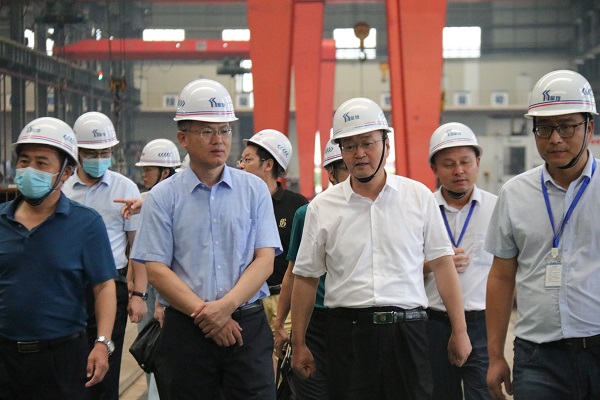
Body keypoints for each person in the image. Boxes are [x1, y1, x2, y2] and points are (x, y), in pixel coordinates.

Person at [291, 97, 472, 400]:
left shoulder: (418, 197)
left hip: (408, 333)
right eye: (350, 146)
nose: (359, 153)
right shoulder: (322, 207)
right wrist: (298, 343)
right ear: (341, 152)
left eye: (367, 143)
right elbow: (306, 278)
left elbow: (443, 266)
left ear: (386, 145)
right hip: (347, 337)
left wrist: (460, 330)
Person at [131, 78, 282, 399]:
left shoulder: (254, 190)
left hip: (245, 327)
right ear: (183, 138)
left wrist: (225, 307)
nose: (219, 140)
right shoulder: (162, 197)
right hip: (187, 331)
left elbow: (265, 260)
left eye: (225, 130)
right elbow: (156, 269)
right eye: (206, 131)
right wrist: (207, 314)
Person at [485, 69, 600, 400]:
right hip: (538, 358)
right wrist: (495, 356)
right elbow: (501, 277)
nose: (555, 139)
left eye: (567, 126)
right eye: (544, 128)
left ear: (589, 127)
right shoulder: (515, 194)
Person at [0, 117, 117, 399]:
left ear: (66, 173)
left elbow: (104, 287)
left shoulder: (86, 224)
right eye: (24, 161)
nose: (30, 169)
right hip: (5, 357)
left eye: (42, 163)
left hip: (62, 357)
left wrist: (102, 343)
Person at [62, 111, 147, 400]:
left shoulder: (125, 188)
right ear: (77, 152)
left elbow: (137, 245)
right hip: (69, 287)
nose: (99, 158)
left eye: (105, 152)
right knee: (69, 364)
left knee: (104, 366)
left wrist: (139, 294)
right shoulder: (62, 189)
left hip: (112, 286)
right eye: (92, 153)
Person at [425, 122, 497, 400]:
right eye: (449, 164)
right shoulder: (422, 210)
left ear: (478, 162)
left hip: (482, 323)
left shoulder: (497, 208)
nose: (459, 170)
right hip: (433, 323)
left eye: (465, 162)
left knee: (483, 392)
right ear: (434, 169)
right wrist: (434, 264)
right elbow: (401, 267)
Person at [274, 140, 349, 400]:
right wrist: (281, 322)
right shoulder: (307, 214)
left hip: (353, 320)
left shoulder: (372, 213)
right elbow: (293, 273)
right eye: (345, 168)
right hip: (314, 321)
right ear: (331, 173)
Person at [238, 129, 308, 333]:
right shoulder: (236, 204)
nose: (241, 166)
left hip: (285, 302)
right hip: (245, 300)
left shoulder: (296, 206)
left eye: (247, 160)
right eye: (241, 160)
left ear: (268, 165)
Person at [136, 138, 181, 399]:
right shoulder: (149, 200)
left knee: (163, 353)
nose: (143, 175)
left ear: (164, 172)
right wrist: (137, 291)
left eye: (148, 169)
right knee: (148, 349)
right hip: (149, 288)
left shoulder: (175, 202)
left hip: (167, 290)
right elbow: (139, 252)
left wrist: (162, 299)